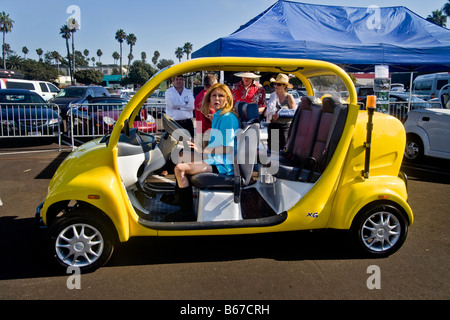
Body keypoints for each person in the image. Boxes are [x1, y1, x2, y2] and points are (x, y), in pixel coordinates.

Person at [162, 83, 240, 221]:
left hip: (223, 165)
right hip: (214, 157)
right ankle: (180, 196)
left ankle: (186, 213)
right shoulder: (218, 115)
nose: (217, 98)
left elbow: (227, 148)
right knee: (180, 155)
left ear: (227, 99)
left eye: (221, 95)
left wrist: (202, 150)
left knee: (180, 169)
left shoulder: (228, 117)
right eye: (214, 95)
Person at [265, 73, 297, 151]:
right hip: (273, 125)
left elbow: (294, 112)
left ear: (284, 86)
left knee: (284, 150)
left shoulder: (289, 97)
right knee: (273, 150)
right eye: (275, 84)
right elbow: (268, 110)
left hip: (285, 127)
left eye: (278, 84)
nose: (275, 86)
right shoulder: (272, 96)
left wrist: (280, 114)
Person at [194, 73, 218, 147]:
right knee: (208, 156)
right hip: (208, 132)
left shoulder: (198, 96)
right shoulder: (208, 97)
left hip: (200, 131)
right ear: (213, 84)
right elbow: (212, 116)